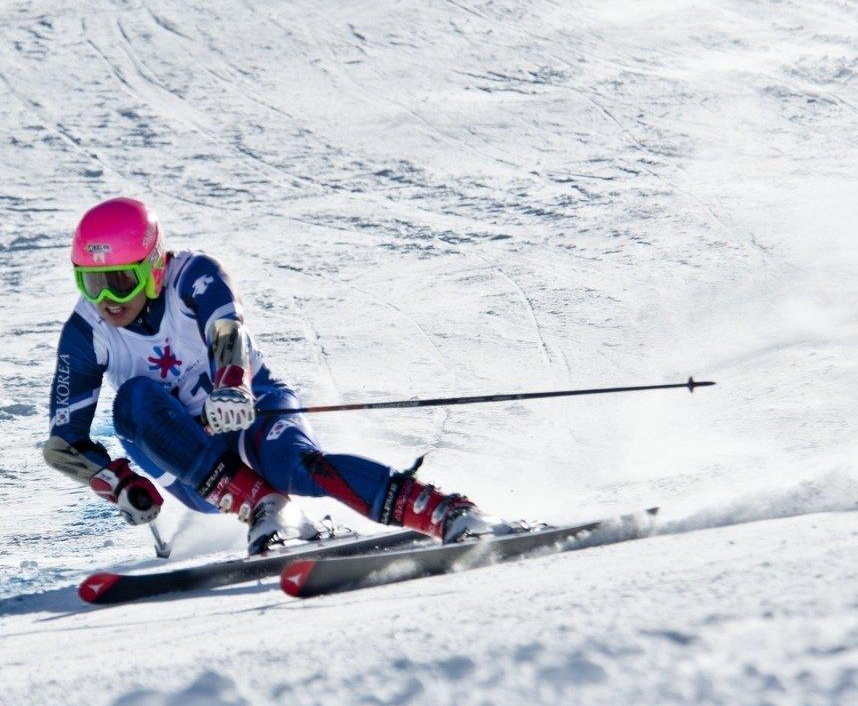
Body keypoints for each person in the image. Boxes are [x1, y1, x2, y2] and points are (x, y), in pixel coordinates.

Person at [41, 197, 524, 556]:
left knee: (295, 464)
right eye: (92, 281)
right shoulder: (87, 331)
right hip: (192, 463)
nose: (108, 300)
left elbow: (226, 326)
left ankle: (447, 513)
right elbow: (64, 442)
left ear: (152, 266)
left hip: (248, 409)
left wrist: (231, 382)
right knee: (133, 401)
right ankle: (267, 509)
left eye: (119, 281)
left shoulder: (194, 275)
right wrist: (118, 482)